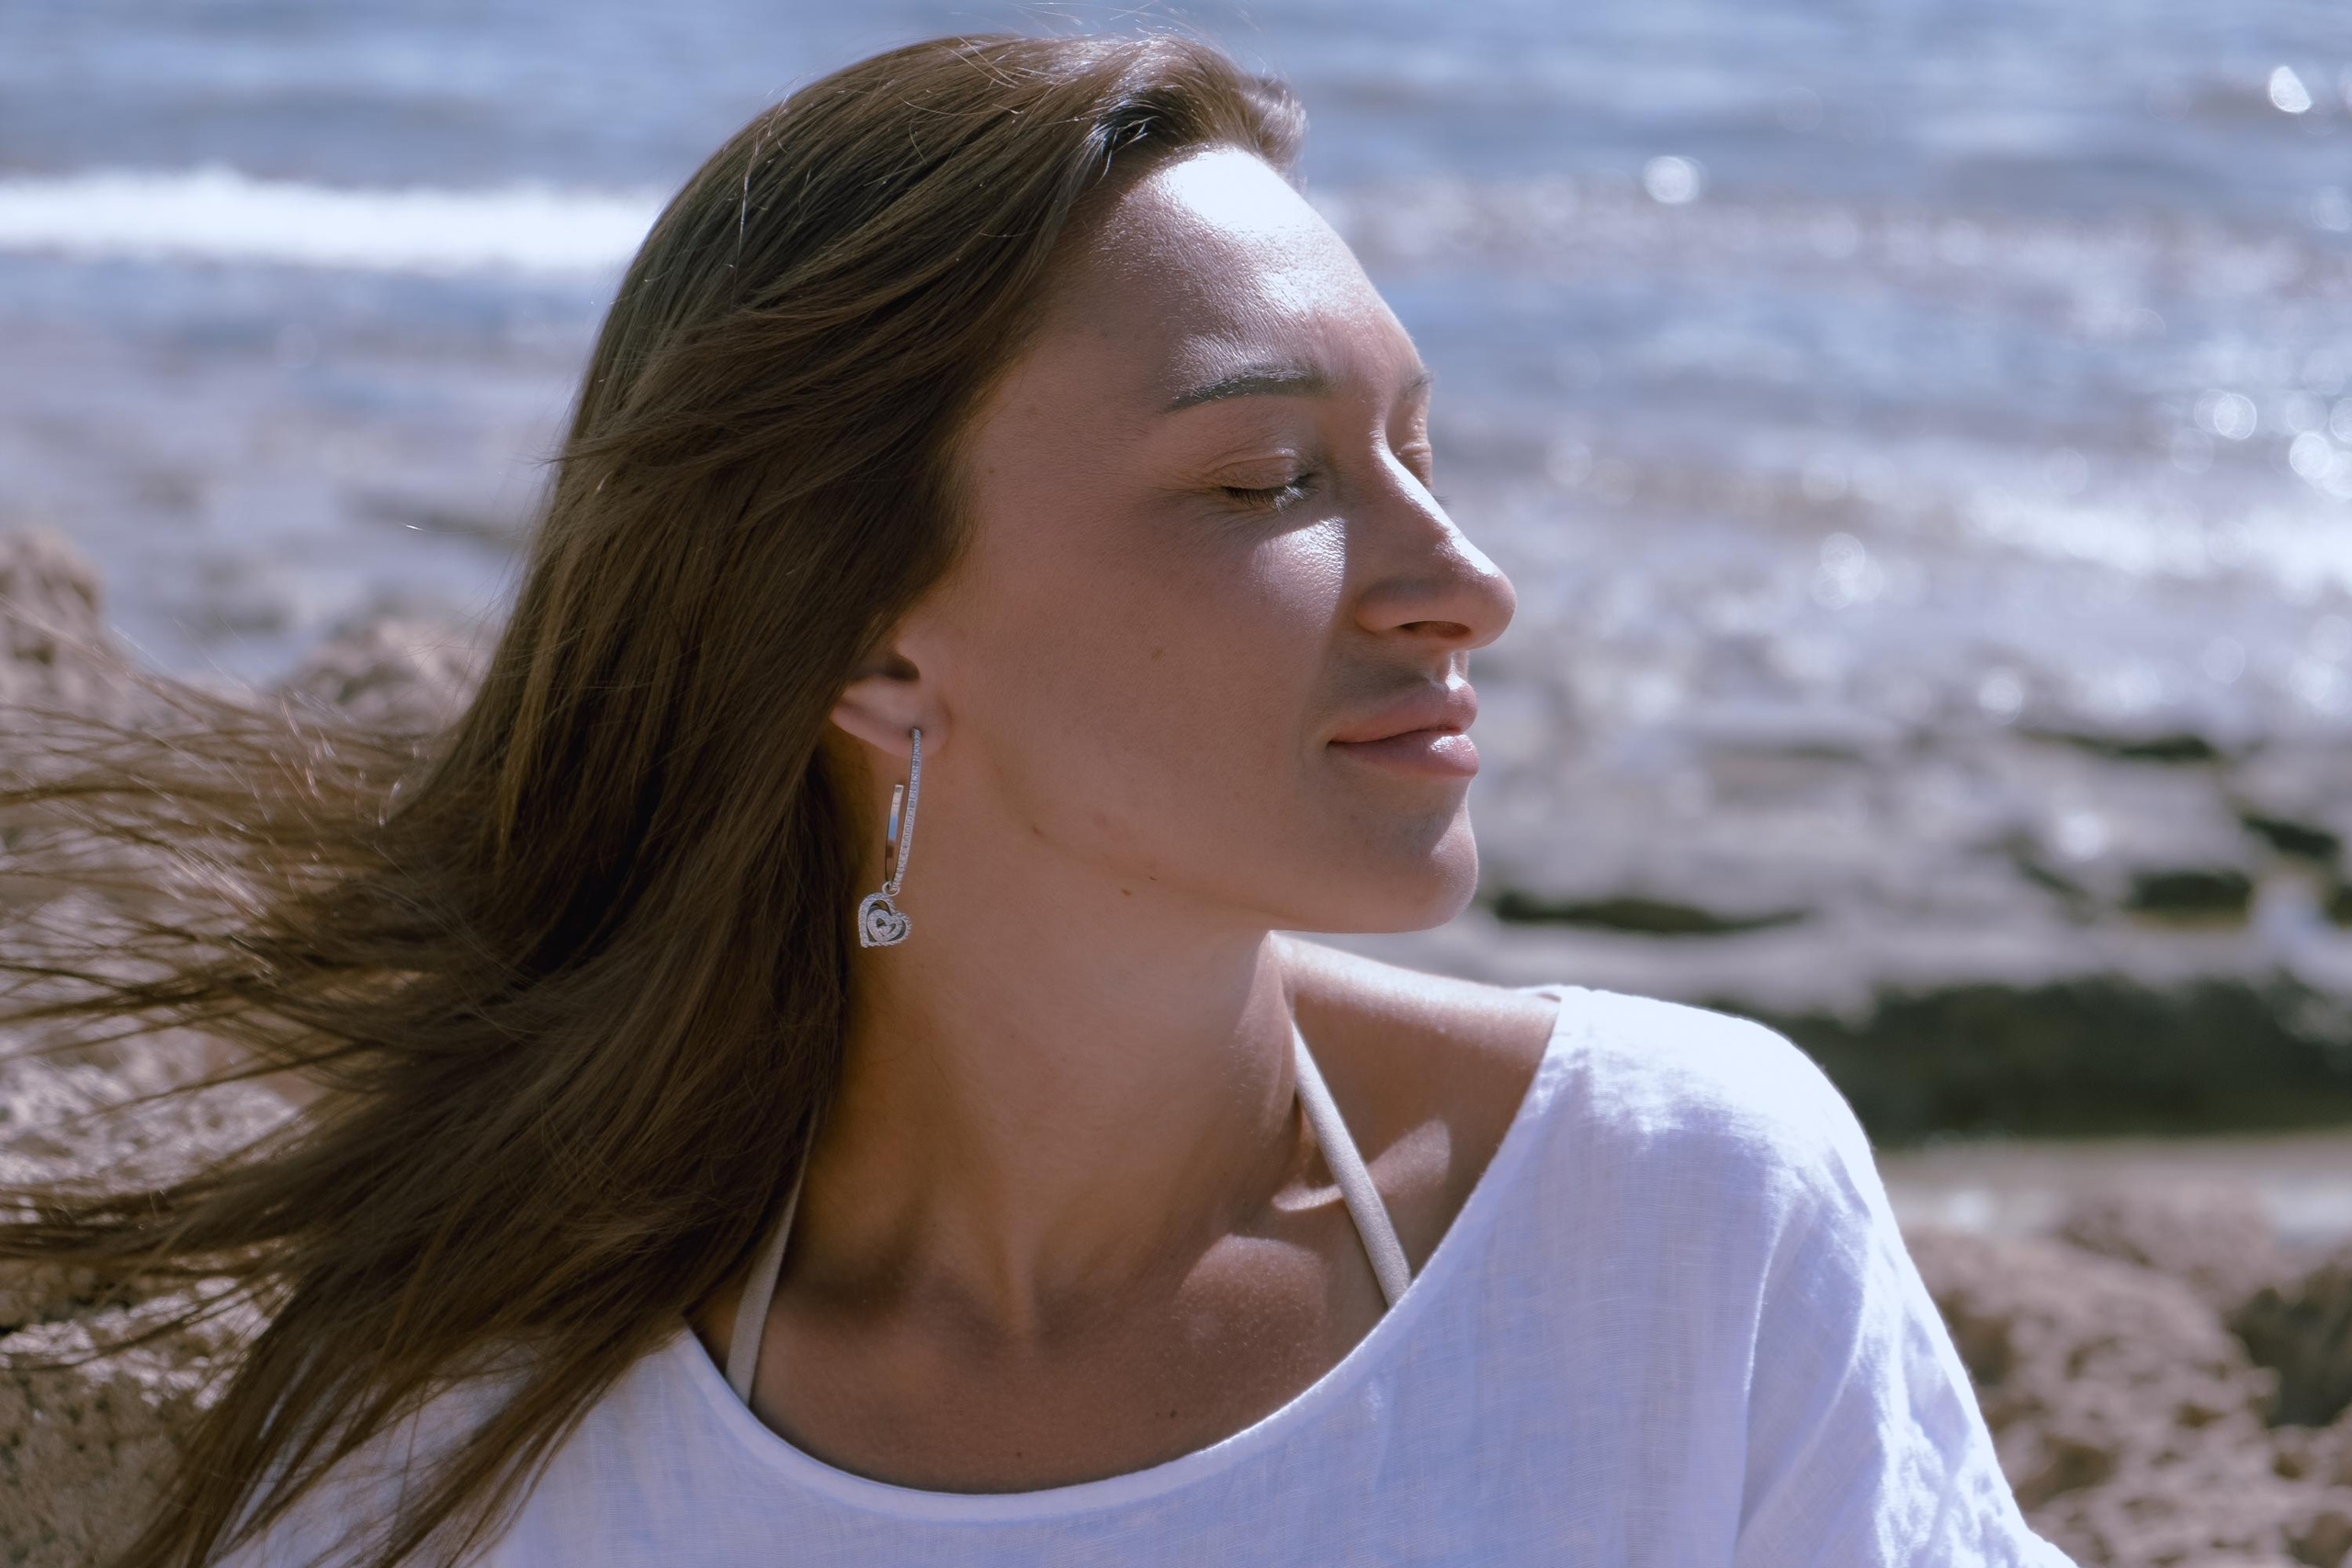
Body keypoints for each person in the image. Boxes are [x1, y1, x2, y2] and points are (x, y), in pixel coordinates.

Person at [0, 30, 2076, 1568]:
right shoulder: (473, 1439)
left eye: (1416, 451)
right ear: (873, 642)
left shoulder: (1670, 1222)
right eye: (1269, 479)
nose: (1464, 581)